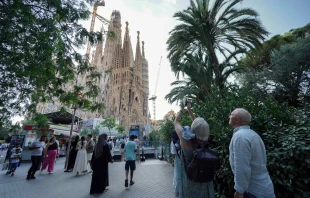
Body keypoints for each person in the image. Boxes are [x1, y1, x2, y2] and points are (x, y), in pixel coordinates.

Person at [228, 108, 275, 198]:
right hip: (264, 187)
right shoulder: (253, 134)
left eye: (231, 114)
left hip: (252, 191)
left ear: (237, 119)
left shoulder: (240, 137)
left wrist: (239, 190)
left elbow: (241, 167)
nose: (229, 116)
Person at [174, 102, 215, 198]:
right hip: (204, 179)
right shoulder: (205, 139)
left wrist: (182, 109)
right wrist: (190, 110)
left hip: (190, 178)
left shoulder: (185, 141)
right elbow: (199, 128)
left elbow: (176, 122)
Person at [171, 130, 180, 196]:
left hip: (177, 159)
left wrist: (172, 161)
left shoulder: (173, 142)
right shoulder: (183, 140)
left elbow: (173, 153)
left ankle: (177, 190)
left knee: (177, 173)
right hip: (183, 159)